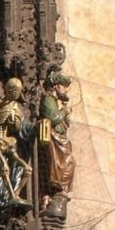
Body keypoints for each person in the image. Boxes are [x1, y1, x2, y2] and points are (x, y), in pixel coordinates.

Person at [39, 69, 76, 212]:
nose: (66, 90)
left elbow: (61, 124)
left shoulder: (55, 101)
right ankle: (56, 190)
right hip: (53, 139)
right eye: (63, 86)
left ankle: (58, 190)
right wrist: (63, 112)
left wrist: (66, 117)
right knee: (67, 162)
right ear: (55, 86)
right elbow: (53, 118)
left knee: (70, 163)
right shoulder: (48, 99)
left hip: (59, 139)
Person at [0, 77, 32, 208]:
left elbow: (17, 127)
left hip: (12, 144)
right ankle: (11, 195)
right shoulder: (3, 108)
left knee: (28, 169)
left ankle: (16, 194)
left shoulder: (15, 108)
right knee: (5, 169)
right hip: (1, 144)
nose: (16, 92)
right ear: (8, 90)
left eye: (18, 90)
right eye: (13, 90)